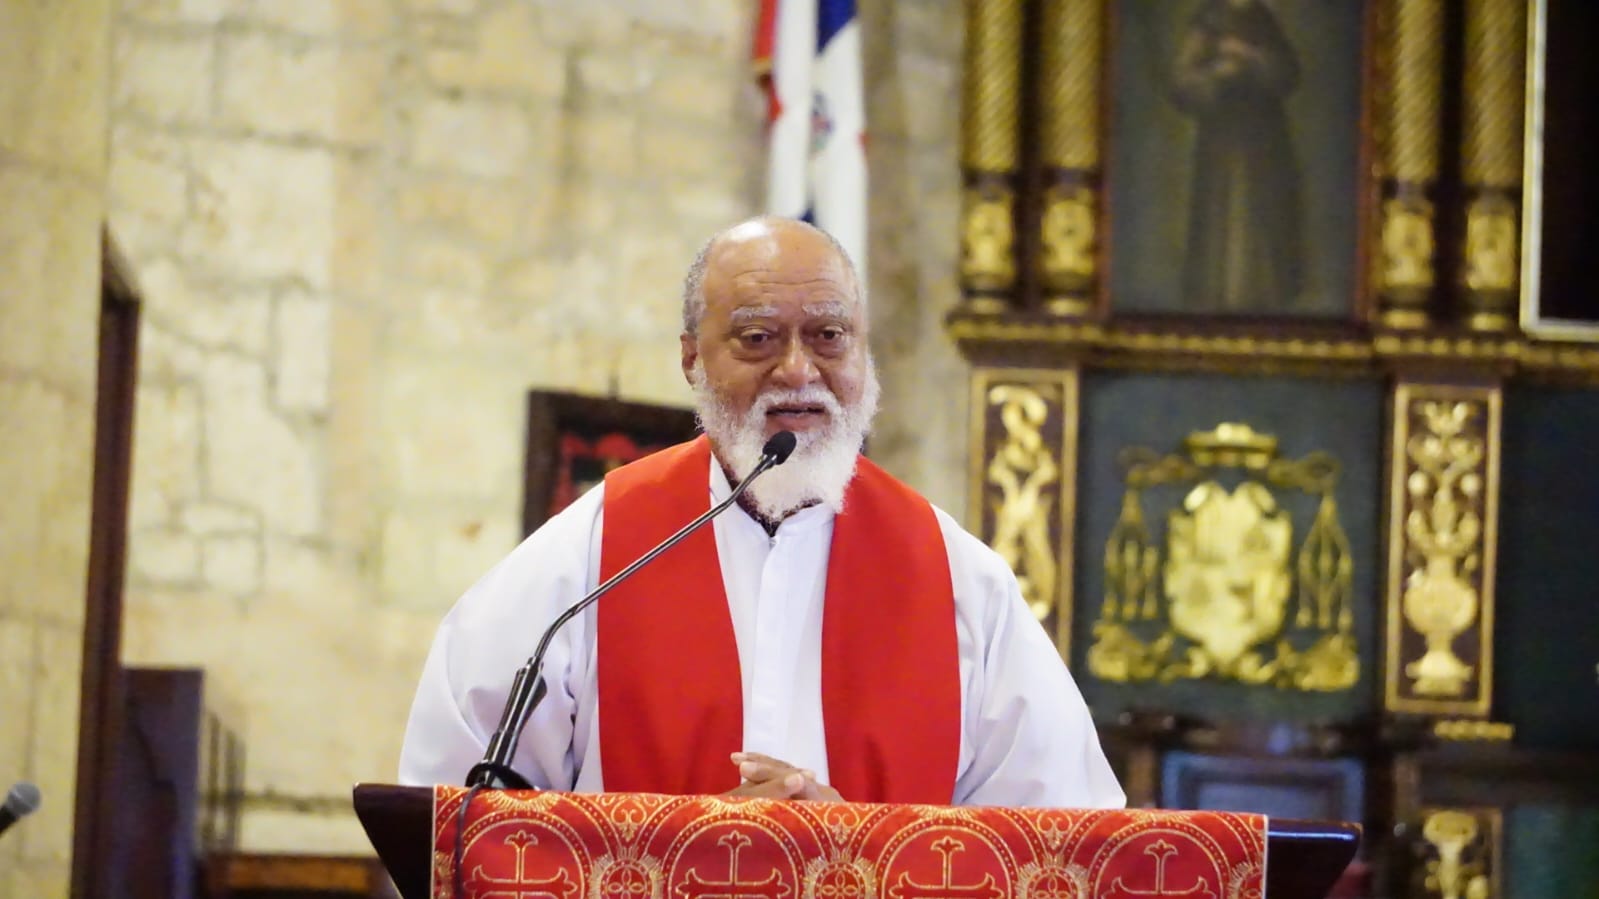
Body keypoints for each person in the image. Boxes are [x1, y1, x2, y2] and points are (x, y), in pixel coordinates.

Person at [398, 217, 1123, 808]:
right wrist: (684, 856)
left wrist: (856, 856)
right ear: (691, 358)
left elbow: (1057, 845)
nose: (799, 371)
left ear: (864, 353)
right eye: (757, 337)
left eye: (828, 335)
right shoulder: (586, 559)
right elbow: (462, 814)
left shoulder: (959, 580)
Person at [1170, 0, 1304, 312]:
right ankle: (1217, 294)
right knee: (1222, 208)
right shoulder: (1208, 19)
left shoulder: (1264, 18)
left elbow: (1288, 75)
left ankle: (1266, 295)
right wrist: (1215, 74)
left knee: (1264, 210)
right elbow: (1182, 81)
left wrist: (1251, 58)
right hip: (1222, 135)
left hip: (1265, 137)